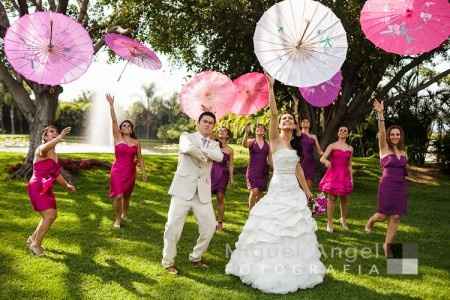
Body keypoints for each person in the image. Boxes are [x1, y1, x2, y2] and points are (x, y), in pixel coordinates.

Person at [226, 74, 325, 294]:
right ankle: (265, 265)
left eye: (290, 119)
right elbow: (273, 113)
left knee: (295, 228)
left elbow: (299, 169)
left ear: (295, 124)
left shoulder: (296, 145)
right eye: (284, 120)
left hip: (294, 189)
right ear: (279, 125)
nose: (287, 121)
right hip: (279, 186)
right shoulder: (274, 140)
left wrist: (308, 193)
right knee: (274, 226)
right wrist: (271, 88)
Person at [162, 111, 223, 275]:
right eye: (205, 121)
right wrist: (204, 154)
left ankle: (196, 257)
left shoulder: (215, 144)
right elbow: (187, 148)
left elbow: (219, 157)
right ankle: (168, 261)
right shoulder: (186, 136)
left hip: (202, 192)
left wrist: (202, 151)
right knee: (172, 226)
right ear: (198, 122)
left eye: (211, 122)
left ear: (213, 126)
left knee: (210, 227)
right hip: (182, 189)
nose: (208, 124)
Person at [365, 100, 408, 256]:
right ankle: (371, 221)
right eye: (392, 134)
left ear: (400, 136)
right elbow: (382, 132)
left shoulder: (404, 152)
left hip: (400, 186)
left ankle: (387, 245)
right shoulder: (384, 148)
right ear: (389, 136)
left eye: (397, 134)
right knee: (383, 215)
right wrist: (380, 114)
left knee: (396, 217)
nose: (395, 136)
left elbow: (405, 170)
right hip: (387, 185)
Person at [27, 126, 76, 256]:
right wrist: (59, 137)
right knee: (49, 216)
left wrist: (66, 185)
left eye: (56, 132)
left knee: (50, 216)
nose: (55, 134)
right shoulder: (41, 149)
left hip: (46, 187)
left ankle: (32, 238)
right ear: (45, 137)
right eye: (51, 132)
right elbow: (44, 148)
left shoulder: (54, 154)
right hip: (37, 186)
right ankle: (35, 245)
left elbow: (56, 174)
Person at [106, 94, 145, 229]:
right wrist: (111, 106)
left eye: (128, 125)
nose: (126, 126)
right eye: (124, 125)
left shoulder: (136, 142)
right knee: (118, 196)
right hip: (117, 170)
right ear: (121, 129)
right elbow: (114, 121)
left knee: (127, 196)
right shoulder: (117, 137)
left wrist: (143, 172)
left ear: (131, 129)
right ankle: (117, 219)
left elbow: (139, 158)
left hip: (130, 171)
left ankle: (124, 213)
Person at [319, 126, 353, 233]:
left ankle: (343, 220)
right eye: (341, 130)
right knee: (332, 198)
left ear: (347, 134)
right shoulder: (332, 145)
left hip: (345, 175)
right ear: (338, 133)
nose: (343, 132)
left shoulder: (350, 148)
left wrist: (351, 178)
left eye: (345, 130)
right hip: (333, 174)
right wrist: (326, 162)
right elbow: (322, 158)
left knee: (344, 199)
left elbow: (350, 165)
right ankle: (329, 223)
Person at [211, 127, 234, 231]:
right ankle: (209, 221)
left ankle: (219, 222)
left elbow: (231, 165)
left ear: (227, 135)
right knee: (206, 198)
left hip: (223, 175)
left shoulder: (230, 150)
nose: (221, 131)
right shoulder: (212, 144)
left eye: (224, 130)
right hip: (211, 173)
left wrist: (231, 179)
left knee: (220, 198)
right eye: (220, 130)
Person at [242, 124, 270, 209]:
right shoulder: (251, 141)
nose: (260, 129)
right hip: (252, 171)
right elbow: (244, 144)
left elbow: (270, 159)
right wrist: (246, 133)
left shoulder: (268, 144)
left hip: (263, 171)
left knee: (260, 194)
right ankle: (251, 213)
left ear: (264, 132)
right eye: (258, 128)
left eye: (262, 128)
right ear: (255, 131)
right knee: (254, 191)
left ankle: (257, 213)